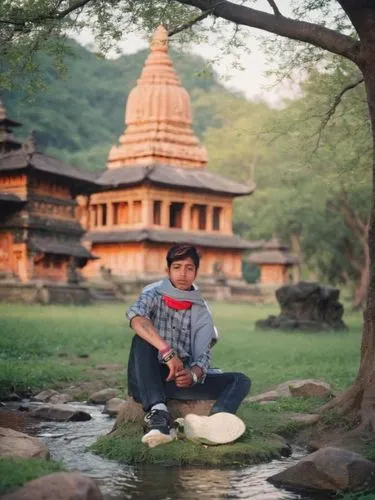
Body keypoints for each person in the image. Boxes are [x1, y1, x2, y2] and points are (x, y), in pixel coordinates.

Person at [126, 244, 251, 448]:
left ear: (196, 272)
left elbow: (203, 355)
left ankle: (215, 423)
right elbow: (136, 318)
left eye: (189, 268)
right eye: (177, 267)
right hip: (145, 378)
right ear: (168, 271)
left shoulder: (201, 309)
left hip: (177, 381)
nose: (183, 274)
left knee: (240, 380)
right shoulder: (153, 294)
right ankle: (158, 415)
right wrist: (167, 352)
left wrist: (192, 374)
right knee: (142, 339)